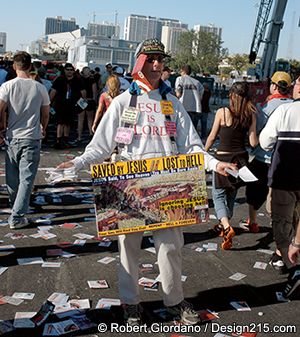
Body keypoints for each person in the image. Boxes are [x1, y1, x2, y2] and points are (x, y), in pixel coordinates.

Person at [57, 38, 236, 325]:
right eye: (150, 59)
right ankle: (130, 303)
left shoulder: (171, 102)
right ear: (138, 62)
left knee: (170, 248)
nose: (156, 65)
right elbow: (100, 147)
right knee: (128, 249)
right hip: (129, 186)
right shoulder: (122, 102)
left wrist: (215, 163)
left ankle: (174, 301)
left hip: (168, 184)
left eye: (160, 60)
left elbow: (192, 146)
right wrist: (77, 162)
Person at [242, 71, 293, 272]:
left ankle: (255, 222)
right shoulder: (292, 107)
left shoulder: (264, 108)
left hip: (265, 158)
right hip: (287, 162)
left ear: (273, 86)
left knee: (261, 196)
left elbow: (258, 140)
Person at [259, 75, 300, 299]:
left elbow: (265, 142)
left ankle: (291, 265)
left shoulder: (284, 112)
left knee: (281, 225)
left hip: (285, 178)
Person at [205, 82, 258, 250]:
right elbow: (253, 142)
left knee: (218, 196)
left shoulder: (222, 112)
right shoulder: (251, 114)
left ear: (231, 95)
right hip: (240, 161)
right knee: (231, 196)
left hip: (223, 159)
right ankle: (224, 225)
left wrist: (203, 152)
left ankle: (227, 227)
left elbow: (212, 136)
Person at [0, 51, 50, 229]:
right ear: (30, 66)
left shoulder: (7, 86)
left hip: (12, 136)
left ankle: (17, 209)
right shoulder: (40, 87)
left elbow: (0, 109)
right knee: (26, 179)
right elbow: (45, 113)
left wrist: (1, 128)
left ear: (14, 66)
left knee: (12, 178)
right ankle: (17, 215)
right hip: (31, 136)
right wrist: (43, 126)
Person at [49, 63, 86, 149]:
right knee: (60, 122)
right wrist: (49, 102)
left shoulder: (77, 80)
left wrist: (83, 101)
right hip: (60, 104)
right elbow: (53, 91)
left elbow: (83, 91)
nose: (69, 72)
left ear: (73, 71)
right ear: (64, 70)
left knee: (68, 123)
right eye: (67, 70)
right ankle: (58, 140)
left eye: (71, 70)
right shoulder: (59, 80)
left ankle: (65, 140)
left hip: (72, 104)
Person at [175, 64, 204, 130]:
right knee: (192, 130)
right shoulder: (197, 82)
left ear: (183, 71)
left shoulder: (180, 79)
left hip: (183, 107)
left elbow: (178, 94)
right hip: (195, 109)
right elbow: (201, 96)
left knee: (182, 129)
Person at [77, 67, 97, 142]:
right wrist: (95, 101)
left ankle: (79, 136)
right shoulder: (92, 80)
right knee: (90, 119)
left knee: (80, 119)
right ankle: (90, 133)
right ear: (89, 73)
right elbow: (94, 92)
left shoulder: (79, 80)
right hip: (89, 100)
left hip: (81, 100)